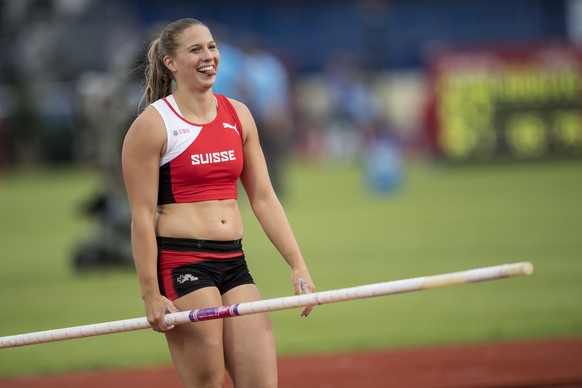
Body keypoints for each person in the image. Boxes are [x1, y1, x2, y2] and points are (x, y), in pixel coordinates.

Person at [121, 18, 315, 388]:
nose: (209, 56)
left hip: (234, 262)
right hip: (183, 264)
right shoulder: (152, 125)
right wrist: (150, 294)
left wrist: (298, 265)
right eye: (195, 49)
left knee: (261, 381)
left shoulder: (238, 114)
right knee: (208, 382)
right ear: (170, 63)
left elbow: (263, 197)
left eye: (211, 47)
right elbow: (142, 217)